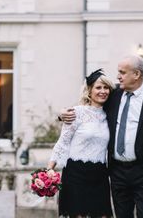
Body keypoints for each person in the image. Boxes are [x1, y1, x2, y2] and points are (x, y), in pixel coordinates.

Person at [61, 56, 143, 218]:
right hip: (117, 172)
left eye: (122, 72)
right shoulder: (112, 94)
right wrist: (62, 115)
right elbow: (89, 108)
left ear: (136, 74)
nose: (118, 76)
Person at [48, 69, 114, 218]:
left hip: (100, 174)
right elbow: (63, 142)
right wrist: (49, 169)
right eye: (98, 87)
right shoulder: (75, 113)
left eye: (106, 87)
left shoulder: (110, 115)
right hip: (76, 174)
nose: (103, 91)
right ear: (89, 90)